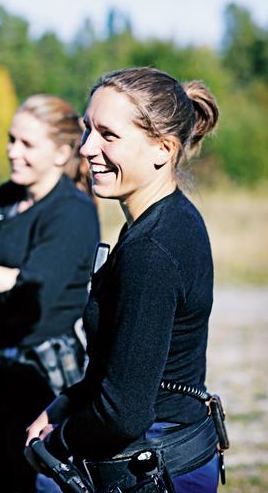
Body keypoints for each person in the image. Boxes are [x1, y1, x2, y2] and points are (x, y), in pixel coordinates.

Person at [26, 68, 224, 493]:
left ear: (163, 149)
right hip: (167, 457)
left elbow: (124, 414)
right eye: (88, 129)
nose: (86, 148)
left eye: (108, 135)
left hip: (155, 470)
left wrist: (56, 443)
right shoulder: (166, 221)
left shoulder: (152, 247)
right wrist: (65, 403)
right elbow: (124, 364)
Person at [0, 95, 100, 493]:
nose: (13, 151)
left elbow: (32, 305)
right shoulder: (7, 197)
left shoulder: (73, 212)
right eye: (11, 139)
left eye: (27, 144)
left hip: (42, 387)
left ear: (61, 153)